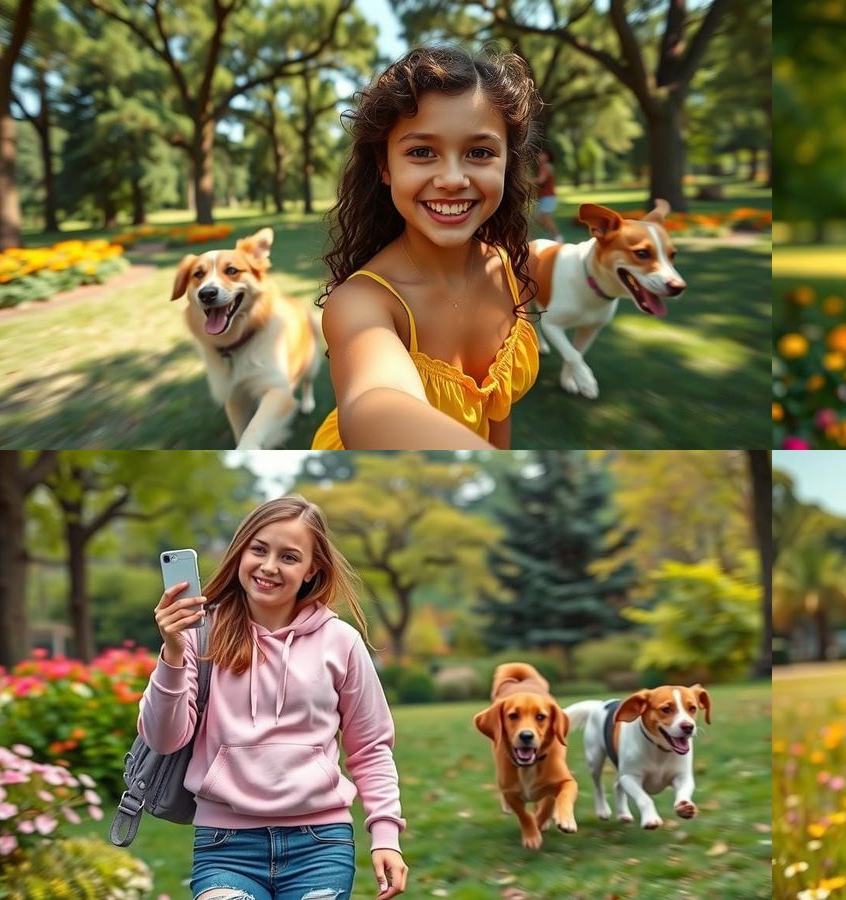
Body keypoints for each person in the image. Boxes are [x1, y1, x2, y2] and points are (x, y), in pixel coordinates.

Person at [141, 496, 408, 899]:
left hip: (321, 844)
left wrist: (385, 833)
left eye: (289, 556)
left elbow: (370, 747)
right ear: (241, 551)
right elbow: (163, 740)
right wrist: (174, 652)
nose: (268, 567)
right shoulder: (200, 636)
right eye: (259, 549)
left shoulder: (341, 642)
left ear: (310, 570)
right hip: (225, 845)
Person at [312, 45, 542, 450]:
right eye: (421, 152)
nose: (452, 178)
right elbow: (373, 402)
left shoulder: (508, 270)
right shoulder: (361, 303)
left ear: (507, 161)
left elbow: (497, 411)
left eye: (479, 152)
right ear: (385, 167)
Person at [535, 148, 564, 241]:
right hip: (545, 197)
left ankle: (558, 237)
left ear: (546, 157)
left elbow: (541, 180)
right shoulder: (545, 166)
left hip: (548, 197)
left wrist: (527, 180)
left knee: (545, 218)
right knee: (540, 218)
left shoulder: (545, 167)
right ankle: (553, 236)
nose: (538, 156)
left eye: (541, 154)